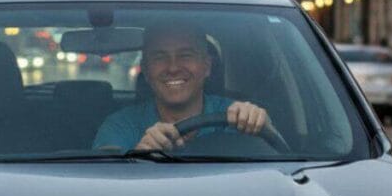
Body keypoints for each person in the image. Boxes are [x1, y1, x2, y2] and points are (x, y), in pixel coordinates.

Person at [93, 23, 269, 152]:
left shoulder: (236, 118)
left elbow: (276, 167)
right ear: (145, 70)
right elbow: (106, 184)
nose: (173, 67)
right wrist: (141, 154)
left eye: (185, 56)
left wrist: (260, 123)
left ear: (207, 66)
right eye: (160, 57)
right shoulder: (120, 125)